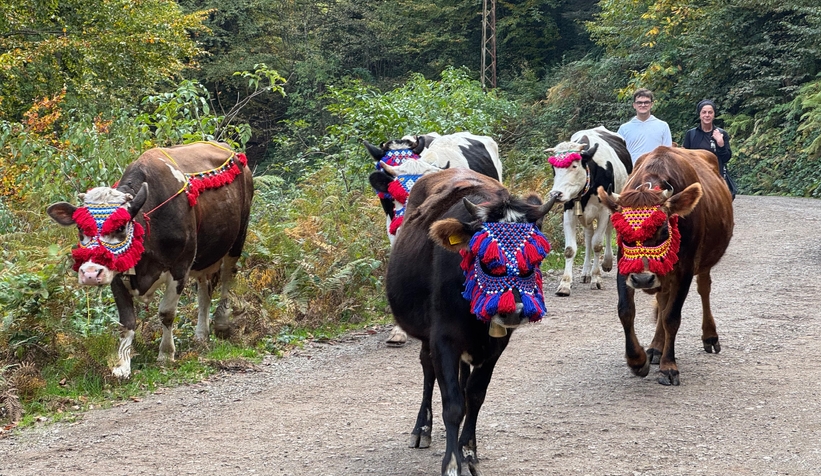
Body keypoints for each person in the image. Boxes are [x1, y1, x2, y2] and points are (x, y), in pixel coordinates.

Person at [682, 99, 736, 199]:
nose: (707, 115)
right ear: (699, 114)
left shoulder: (721, 133)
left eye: (710, 112)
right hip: (696, 178)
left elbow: (726, 158)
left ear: (714, 114)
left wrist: (721, 144)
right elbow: (684, 158)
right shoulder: (691, 134)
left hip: (715, 178)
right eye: (704, 112)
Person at [617, 88, 673, 164]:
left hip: (655, 172)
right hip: (632, 172)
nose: (643, 105)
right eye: (639, 102)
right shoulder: (624, 129)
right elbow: (619, 154)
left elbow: (668, 153)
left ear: (651, 104)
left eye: (646, 102)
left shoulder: (663, 126)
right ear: (634, 105)